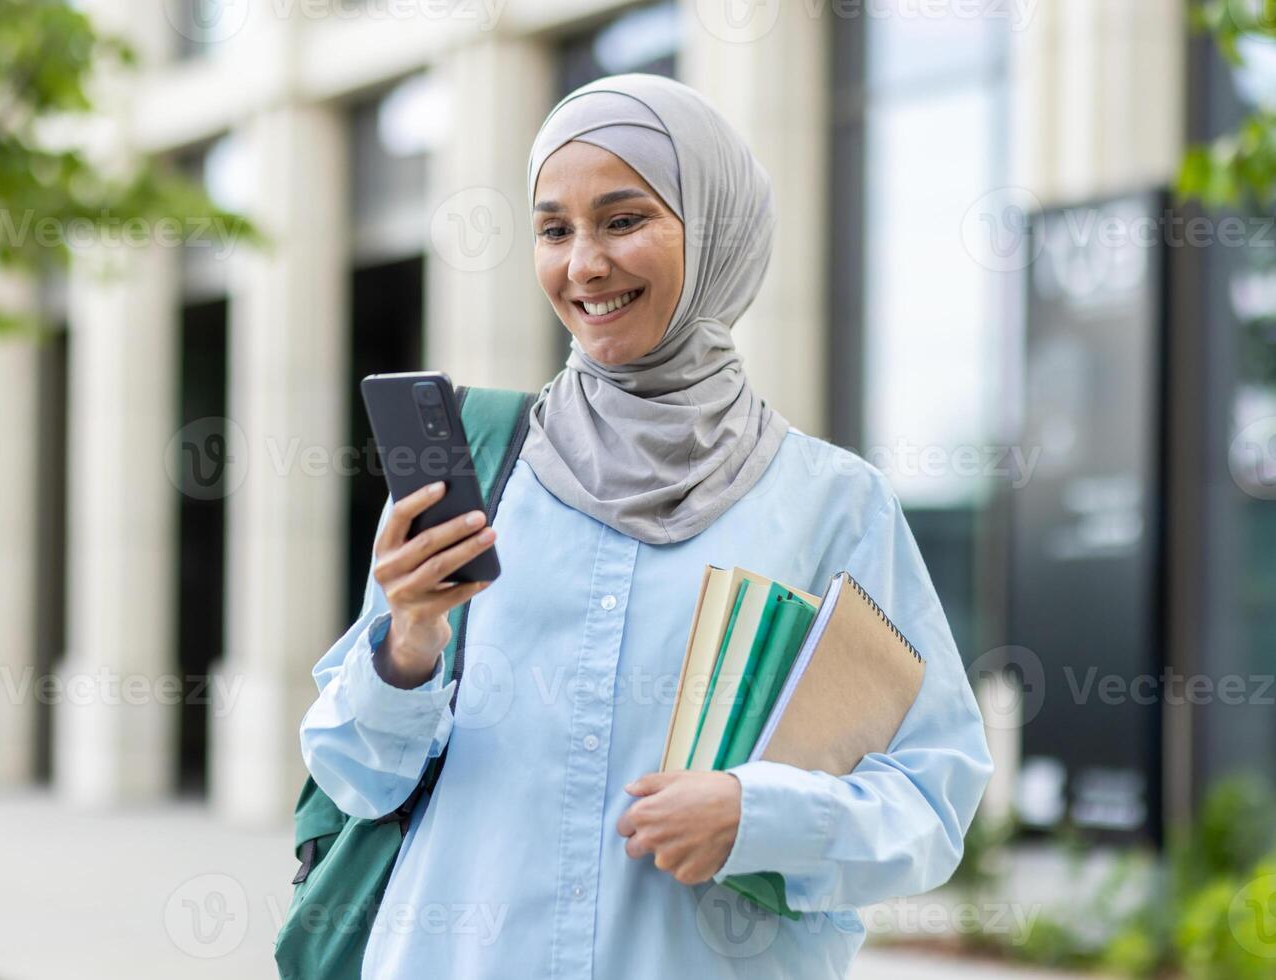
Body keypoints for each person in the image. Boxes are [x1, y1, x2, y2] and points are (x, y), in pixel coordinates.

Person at [300, 72, 993, 978]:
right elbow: (357, 779)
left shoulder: (834, 504)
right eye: (555, 230)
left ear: (713, 232)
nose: (583, 264)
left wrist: (758, 814)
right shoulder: (481, 474)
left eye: (623, 221)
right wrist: (410, 644)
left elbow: (932, 802)